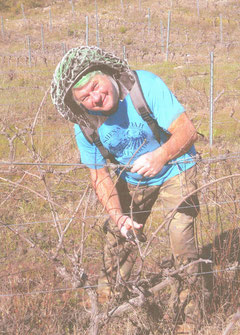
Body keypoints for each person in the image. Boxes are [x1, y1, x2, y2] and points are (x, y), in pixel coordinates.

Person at [51, 46, 202, 332]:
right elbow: (99, 176)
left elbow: (187, 131)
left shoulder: (144, 87)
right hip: (133, 178)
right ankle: (107, 311)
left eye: (95, 86)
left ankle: (188, 319)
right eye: (85, 97)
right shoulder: (85, 125)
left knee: (181, 240)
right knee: (117, 239)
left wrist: (161, 156)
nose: (95, 98)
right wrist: (117, 215)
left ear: (106, 75)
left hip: (177, 165)